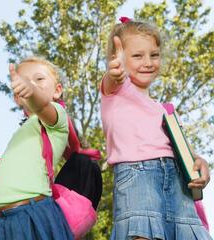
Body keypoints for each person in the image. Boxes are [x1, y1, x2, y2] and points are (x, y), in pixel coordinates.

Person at [101, 17, 211, 240]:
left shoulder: (168, 110)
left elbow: (184, 152)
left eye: (154, 55)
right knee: (142, 233)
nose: (148, 62)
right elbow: (110, 81)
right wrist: (114, 72)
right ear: (117, 58)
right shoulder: (115, 91)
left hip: (178, 183)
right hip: (137, 176)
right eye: (137, 56)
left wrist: (200, 163)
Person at [0, 56, 73, 240]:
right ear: (16, 98)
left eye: (39, 79)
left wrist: (31, 92)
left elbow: (42, 104)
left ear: (57, 91)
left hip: (29, 217)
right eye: (25, 82)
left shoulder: (56, 118)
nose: (32, 85)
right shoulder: (22, 131)